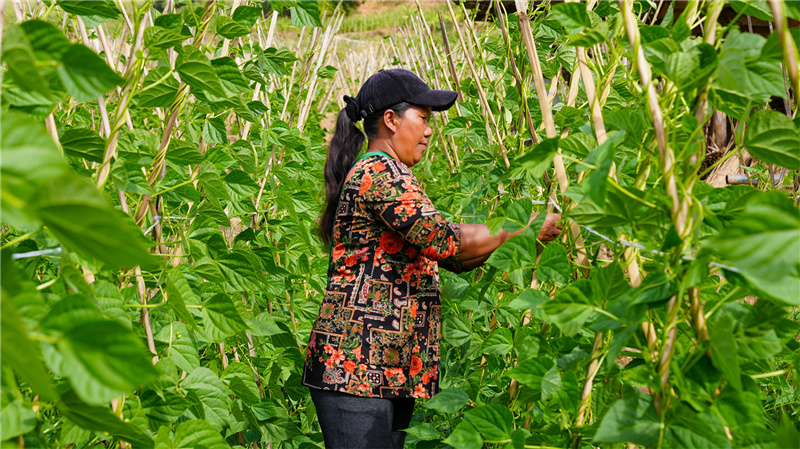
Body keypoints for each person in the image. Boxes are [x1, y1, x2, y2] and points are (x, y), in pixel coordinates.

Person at [302, 69, 562, 449]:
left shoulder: (396, 173)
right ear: (391, 120)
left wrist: (511, 238)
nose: (428, 131)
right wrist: (521, 226)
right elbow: (445, 240)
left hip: (385, 369)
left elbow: (454, 258)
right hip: (354, 369)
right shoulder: (378, 173)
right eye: (422, 118)